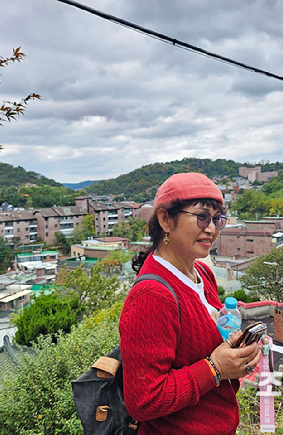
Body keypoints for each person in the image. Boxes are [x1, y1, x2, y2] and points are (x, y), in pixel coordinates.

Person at [119, 172, 261, 435]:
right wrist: (215, 368)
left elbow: (207, 345)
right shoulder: (151, 295)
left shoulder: (202, 274)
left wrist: (238, 355)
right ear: (165, 219)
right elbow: (143, 401)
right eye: (201, 217)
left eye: (217, 219)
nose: (211, 228)